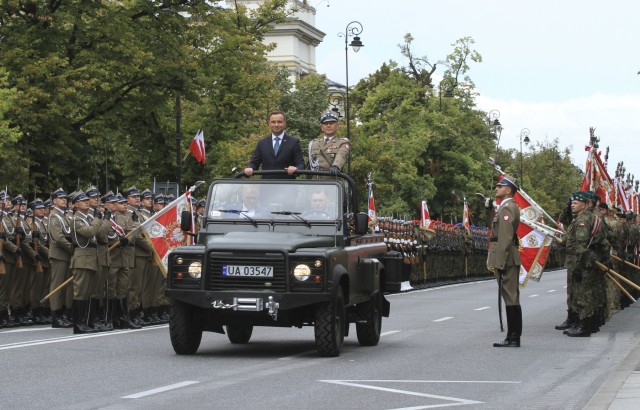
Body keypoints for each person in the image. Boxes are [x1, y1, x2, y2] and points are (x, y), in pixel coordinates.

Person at [562, 191, 610, 337]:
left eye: (576, 203)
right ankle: (589, 323)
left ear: (585, 204)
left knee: (583, 295)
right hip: (590, 261)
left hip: (583, 263)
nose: (572, 205)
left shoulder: (583, 220)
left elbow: (580, 246)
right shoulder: (593, 218)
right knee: (589, 293)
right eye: (572, 203)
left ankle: (584, 326)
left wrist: (576, 266)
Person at [487, 174, 522, 347]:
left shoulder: (507, 208)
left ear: (508, 190)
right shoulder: (504, 207)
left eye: (500, 186)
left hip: (506, 258)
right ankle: (512, 336)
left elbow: (505, 238)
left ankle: (514, 337)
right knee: (510, 296)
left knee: (510, 297)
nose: (496, 189)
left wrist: (499, 262)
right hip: (506, 257)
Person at [244, 111, 305, 179]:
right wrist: (249, 168)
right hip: (267, 186)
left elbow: (301, 164)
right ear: (269, 124)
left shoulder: (294, 142)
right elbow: (254, 162)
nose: (276, 125)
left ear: (285, 123)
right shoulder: (262, 143)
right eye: (273, 122)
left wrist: (296, 168)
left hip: (287, 186)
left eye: (279, 122)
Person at [308, 112, 350, 176]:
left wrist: (336, 166)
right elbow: (310, 166)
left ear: (337, 126)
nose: (328, 125)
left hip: (333, 181)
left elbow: (341, 155)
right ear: (321, 127)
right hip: (316, 182)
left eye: (331, 123)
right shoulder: (313, 144)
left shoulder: (342, 142)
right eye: (325, 123)